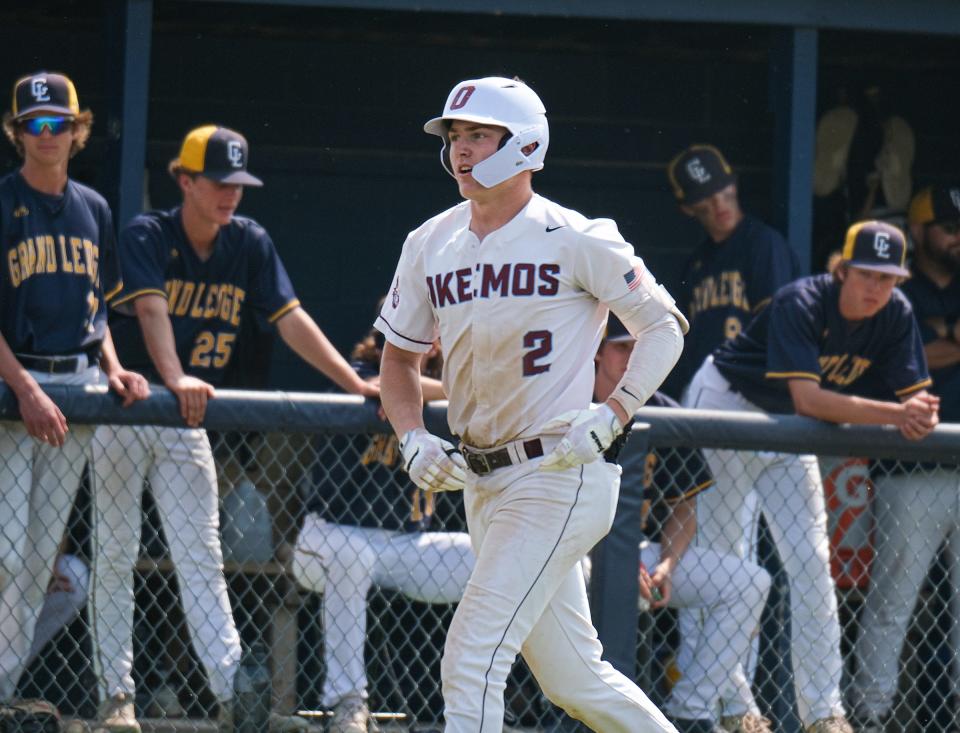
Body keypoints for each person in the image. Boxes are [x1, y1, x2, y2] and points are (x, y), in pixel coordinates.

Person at [376, 75, 688, 732]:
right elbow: (399, 360)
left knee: (471, 655)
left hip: (557, 471)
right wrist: (410, 437)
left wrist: (616, 410)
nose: (461, 150)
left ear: (523, 144)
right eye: (455, 136)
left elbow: (665, 326)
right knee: (575, 678)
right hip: (483, 479)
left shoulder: (576, 235)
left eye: (478, 135)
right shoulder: (429, 240)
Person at [89, 124, 378, 733]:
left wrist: (353, 383)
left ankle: (235, 700)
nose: (230, 194)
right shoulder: (150, 233)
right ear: (186, 181)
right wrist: (174, 378)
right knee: (115, 552)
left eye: (238, 184)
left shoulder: (247, 241)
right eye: (219, 182)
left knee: (202, 555)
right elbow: (148, 310)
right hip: (127, 408)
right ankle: (117, 698)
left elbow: (290, 319)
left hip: (184, 413)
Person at [682, 220, 939, 733]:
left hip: (787, 430)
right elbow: (811, 398)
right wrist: (896, 415)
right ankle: (732, 707)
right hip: (729, 405)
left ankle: (823, 711)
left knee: (811, 564)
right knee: (724, 561)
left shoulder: (896, 315)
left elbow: (915, 400)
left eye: (887, 279)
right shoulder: (801, 300)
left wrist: (919, 410)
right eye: (865, 274)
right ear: (840, 270)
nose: (875, 288)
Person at [0, 70, 148, 704]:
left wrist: (111, 365)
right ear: (18, 134)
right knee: (7, 554)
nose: (47, 134)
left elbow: (100, 309)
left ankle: (2, 687)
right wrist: (26, 392)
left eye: (59, 123)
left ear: (76, 131)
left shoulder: (93, 208)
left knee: (37, 566)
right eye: (35, 124)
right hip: (15, 387)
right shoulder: (3, 201)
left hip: (77, 386)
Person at [292, 322, 474, 733]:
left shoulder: (452, 388)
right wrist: (421, 388)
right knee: (351, 556)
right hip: (327, 536)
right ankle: (347, 703)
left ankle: (479, 698)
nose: (425, 339)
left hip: (405, 547)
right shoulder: (359, 374)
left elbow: (471, 392)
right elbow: (381, 381)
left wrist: (444, 388)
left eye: (431, 330)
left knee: (490, 557)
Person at [593, 315, 771, 733]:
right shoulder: (568, 403)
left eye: (640, 348)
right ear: (598, 351)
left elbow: (683, 510)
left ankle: (693, 707)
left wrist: (668, 564)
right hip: (573, 554)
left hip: (642, 556)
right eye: (622, 347)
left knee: (750, 583)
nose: (631, 358)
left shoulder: (665, 412)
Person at [849, 184, 960, 732]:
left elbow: (936, 350)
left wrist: (944, 339)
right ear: (917, 231)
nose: (956, 236)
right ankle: (870, 716)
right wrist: (943, 339)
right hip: (909, 466)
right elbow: (901, 359)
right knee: (893, 600)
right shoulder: (893, 293)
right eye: (945, 225)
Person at [665, 144, 800, 399]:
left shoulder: (763, 244)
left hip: (749, 390)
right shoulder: (694, 266)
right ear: (687, 207)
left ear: (734, 184)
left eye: (721, 188)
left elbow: (777, 329)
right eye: (705, 195)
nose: (718, 202)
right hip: (703, 388)